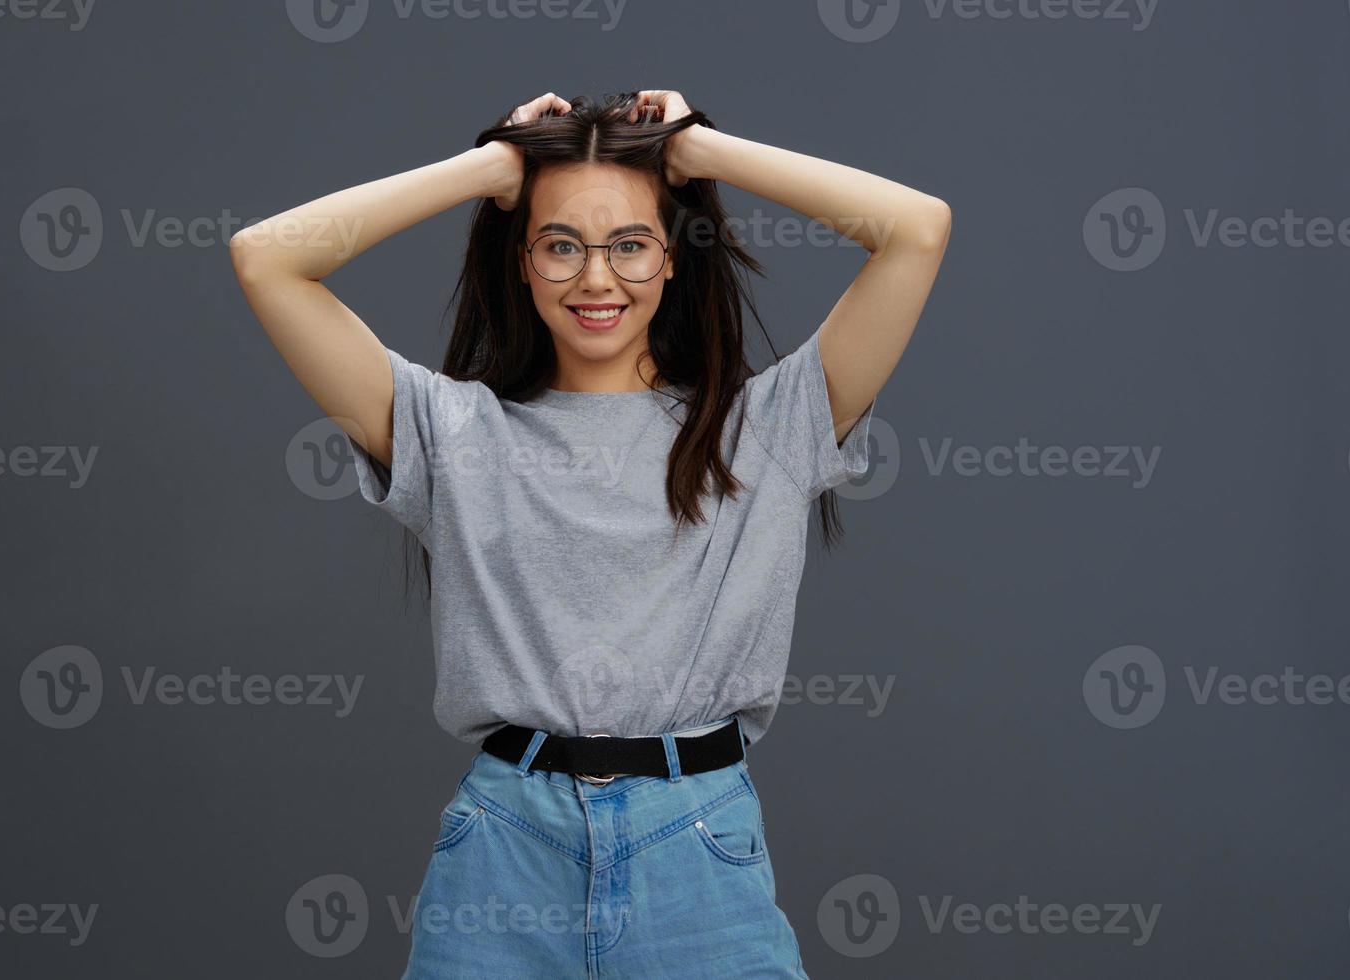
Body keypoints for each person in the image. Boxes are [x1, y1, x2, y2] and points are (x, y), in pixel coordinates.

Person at [230, 89, 950, 979]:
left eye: (631, 245)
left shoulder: (766, 426)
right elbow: (266, 260)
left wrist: (703, 155)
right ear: (523, 262)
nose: (596, 278)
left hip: (699, 852)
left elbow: (916, 230)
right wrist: (491, 168)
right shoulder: (454, 431)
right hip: (503, 853)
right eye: (561, 244)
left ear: (674, 259)